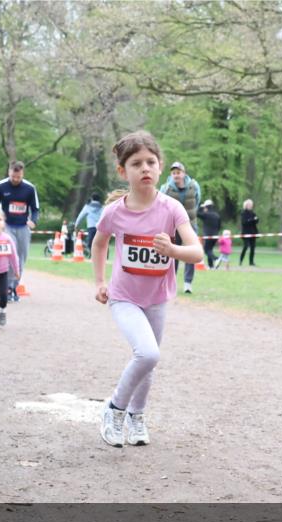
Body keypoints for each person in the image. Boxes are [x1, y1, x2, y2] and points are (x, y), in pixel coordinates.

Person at [92, 131, 203, 447]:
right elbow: (99, 244)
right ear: (122, 171)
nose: (145, 168)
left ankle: (136, 417)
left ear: (160, 166)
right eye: (136, 163)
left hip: (156, 299)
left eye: (151, 162)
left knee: (148, 360)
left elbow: (196, 251)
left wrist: (174, 251)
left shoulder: (171, 209)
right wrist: (100, 282)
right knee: (149, 352)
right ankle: (113, 410)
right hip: (124, 297)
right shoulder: (114, 212)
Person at [0, 160, 39, 302]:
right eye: (13, 177)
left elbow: (35, 209)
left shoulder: (29, 188)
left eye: (19, 177)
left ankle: (14, 286)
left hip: (23, 227)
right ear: (9, 173)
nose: (16, 179)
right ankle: (8, 287)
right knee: (11, 255)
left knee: (21, 258)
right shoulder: (0, 186)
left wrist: (33, 221)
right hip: (7, 226)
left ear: (22, 174)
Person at [159, 161, 201, 293]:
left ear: (184, 173)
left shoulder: (194, 185)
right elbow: (161, 204)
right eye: (173, 173)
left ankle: (188, 283)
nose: (176, 175)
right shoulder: (166, 188)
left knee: (191, 253)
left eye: (178, 172)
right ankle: (172, 281)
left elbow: (197, 200)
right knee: (173, 252)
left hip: (190, 224)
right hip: (172, 225)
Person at [197, 199, 221, 267]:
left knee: (206, 250)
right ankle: (211, 266)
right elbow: (219, 226)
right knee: (210, 250)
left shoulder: (206, 215)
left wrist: (201, 207)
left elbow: (197, 213)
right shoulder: (217, 215)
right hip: (215, 236)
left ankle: (216, 259)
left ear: (206, 207)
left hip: (208, 235)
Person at [239, 199, 259, 266]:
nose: (251, 206)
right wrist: (251, 220)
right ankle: (241, 260)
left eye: (251, 205)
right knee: (246, 246)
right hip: (246, 232)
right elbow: (244, 222)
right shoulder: (243, 213)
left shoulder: (253, 213)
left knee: (253, 248)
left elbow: (256, 221)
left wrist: (255, 220)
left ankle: (251, 262)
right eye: (249, 205)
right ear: (246, 205)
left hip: (253, 232)